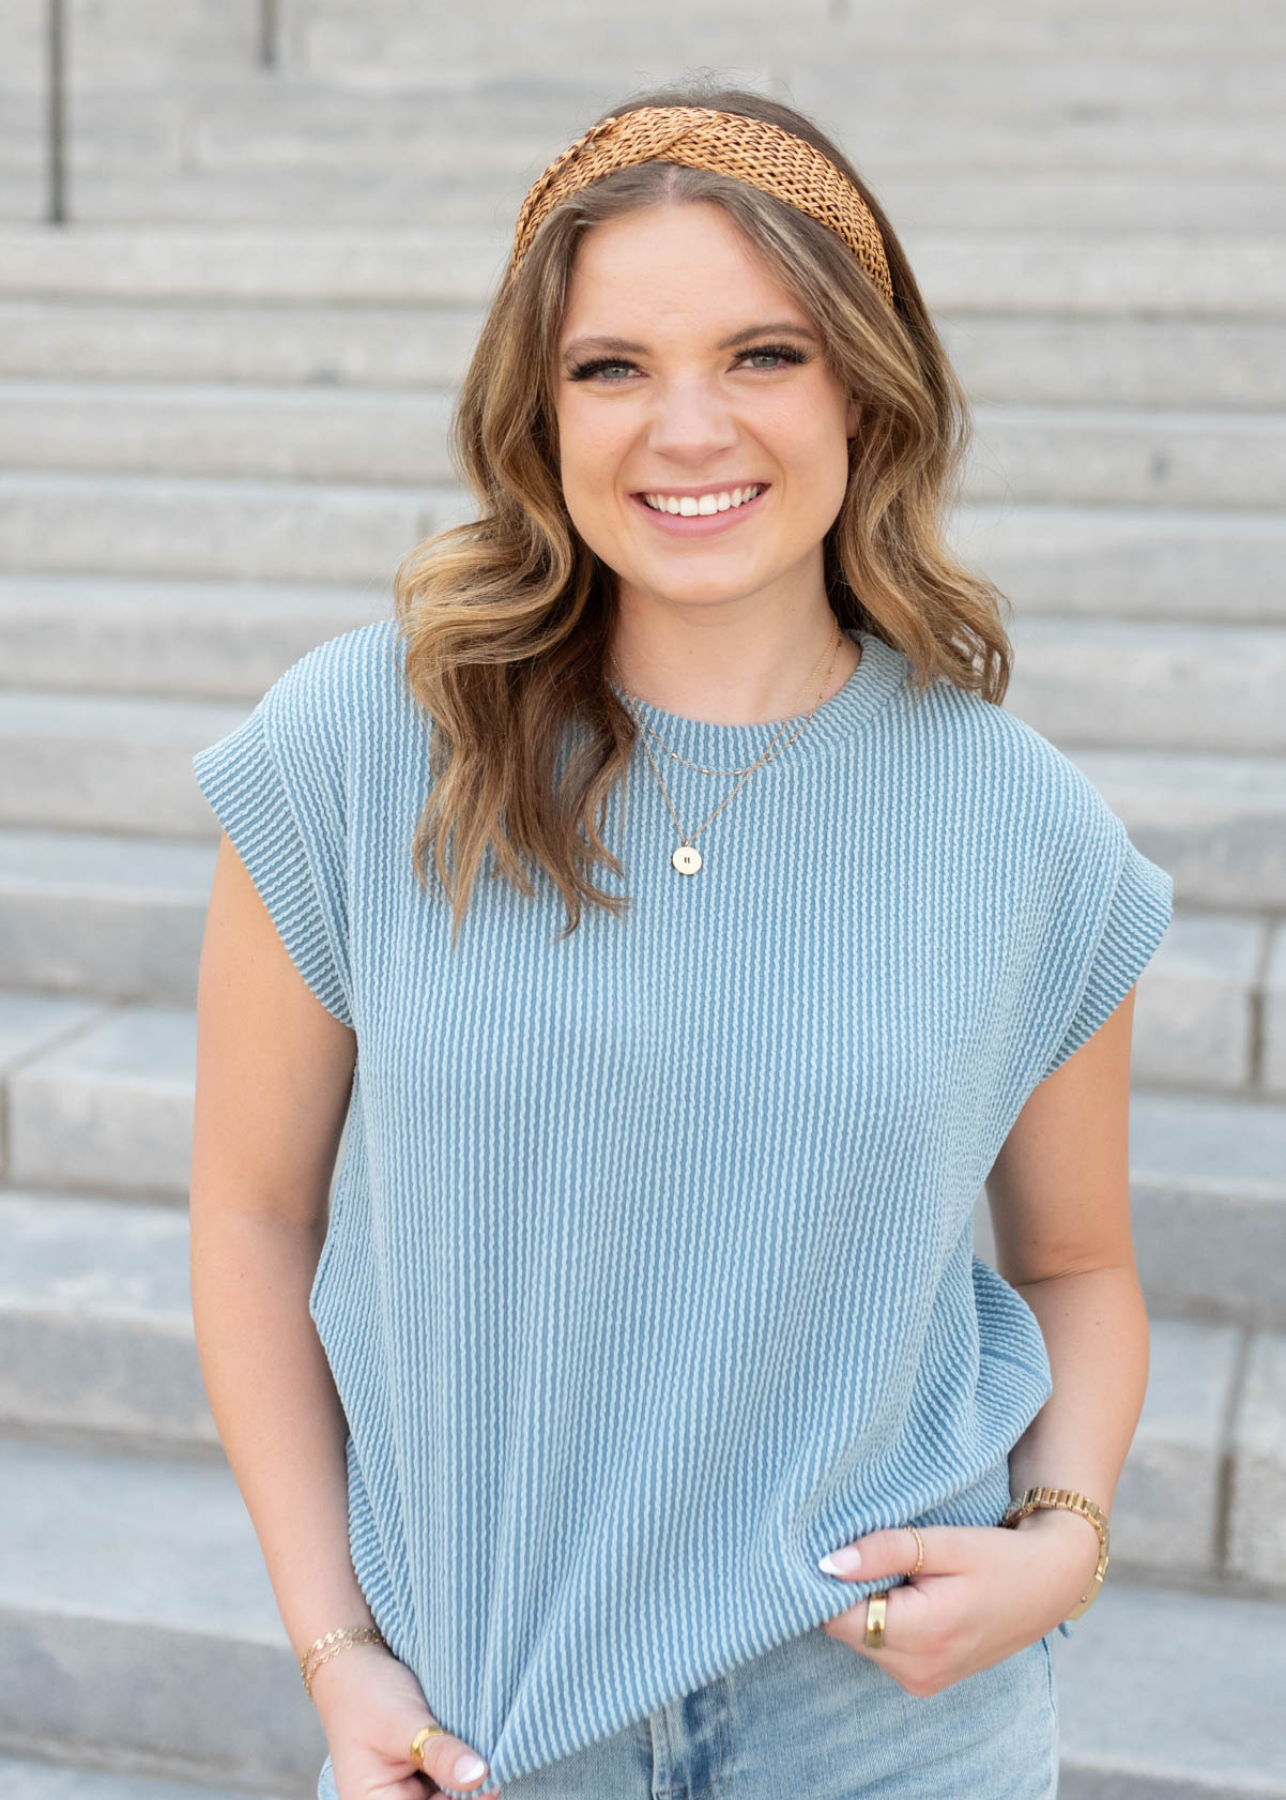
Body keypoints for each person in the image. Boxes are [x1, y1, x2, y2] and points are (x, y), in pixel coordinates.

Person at [189, 80, 1173, 1800]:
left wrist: (1062, 1542)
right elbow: (254, 1215)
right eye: (611, 367)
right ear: (539, 411)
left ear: (867, 385)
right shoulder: (362, 747)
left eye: (764, 355)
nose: (686, 428)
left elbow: (1080, 1268)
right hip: (484, 1725)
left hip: (887, 1731)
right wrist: (339, 1655)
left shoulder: (1025, 829)